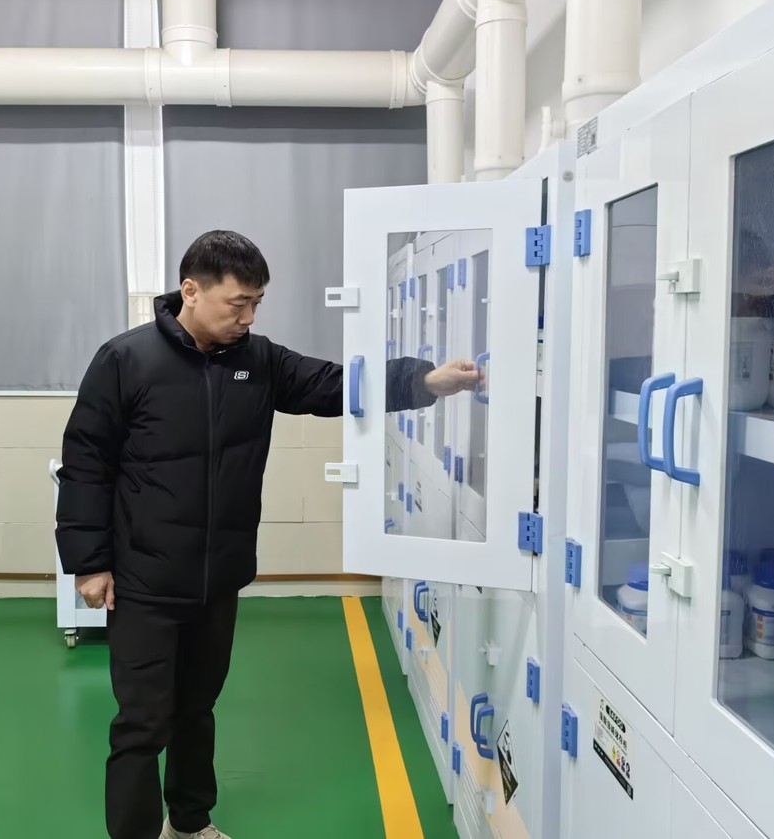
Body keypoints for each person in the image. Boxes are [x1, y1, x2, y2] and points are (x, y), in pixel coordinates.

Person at [54, 230, 481, 839]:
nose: (249, 318)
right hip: (146, 579)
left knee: (197, 709)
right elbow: (86, 463)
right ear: (190, 290)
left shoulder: (258, 361)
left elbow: (335, 383)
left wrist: (424, 381)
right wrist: (90, 562)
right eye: (238, 304)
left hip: (218, 577)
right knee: (142, 724)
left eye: (257, 303)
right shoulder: (127, 360)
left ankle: (190, 823)